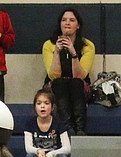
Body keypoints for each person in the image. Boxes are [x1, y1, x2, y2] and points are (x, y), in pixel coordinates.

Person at [42, 8, 94, 136]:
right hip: (56, 86)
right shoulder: (49, 45)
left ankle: (80, 129)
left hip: (79, 87)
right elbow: (53, 75)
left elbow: (80, 76)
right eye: (64, 20)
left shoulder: (87, 46)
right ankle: (68, 129)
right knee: (60, 83)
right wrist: (57, 52)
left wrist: (73, 53)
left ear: (78, 25)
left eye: (72, 20)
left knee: (75, 83)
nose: (67, 23)